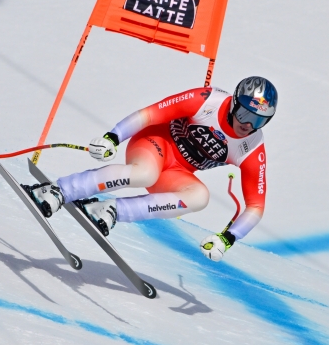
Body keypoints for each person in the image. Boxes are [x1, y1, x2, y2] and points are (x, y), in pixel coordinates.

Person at [28, 76, 277, 262]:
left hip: (177, 172)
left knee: (200, 197)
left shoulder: (252, 146)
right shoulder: (207, 100)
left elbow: (256, 207)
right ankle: (57, 190)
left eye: (259, 120)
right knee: (144, 174)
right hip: (154, 143)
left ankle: (111, 210)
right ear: (234, 103)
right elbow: (150, 114)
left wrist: (227, 238)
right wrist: (113, 137)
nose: (248, 124)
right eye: (245, 113)